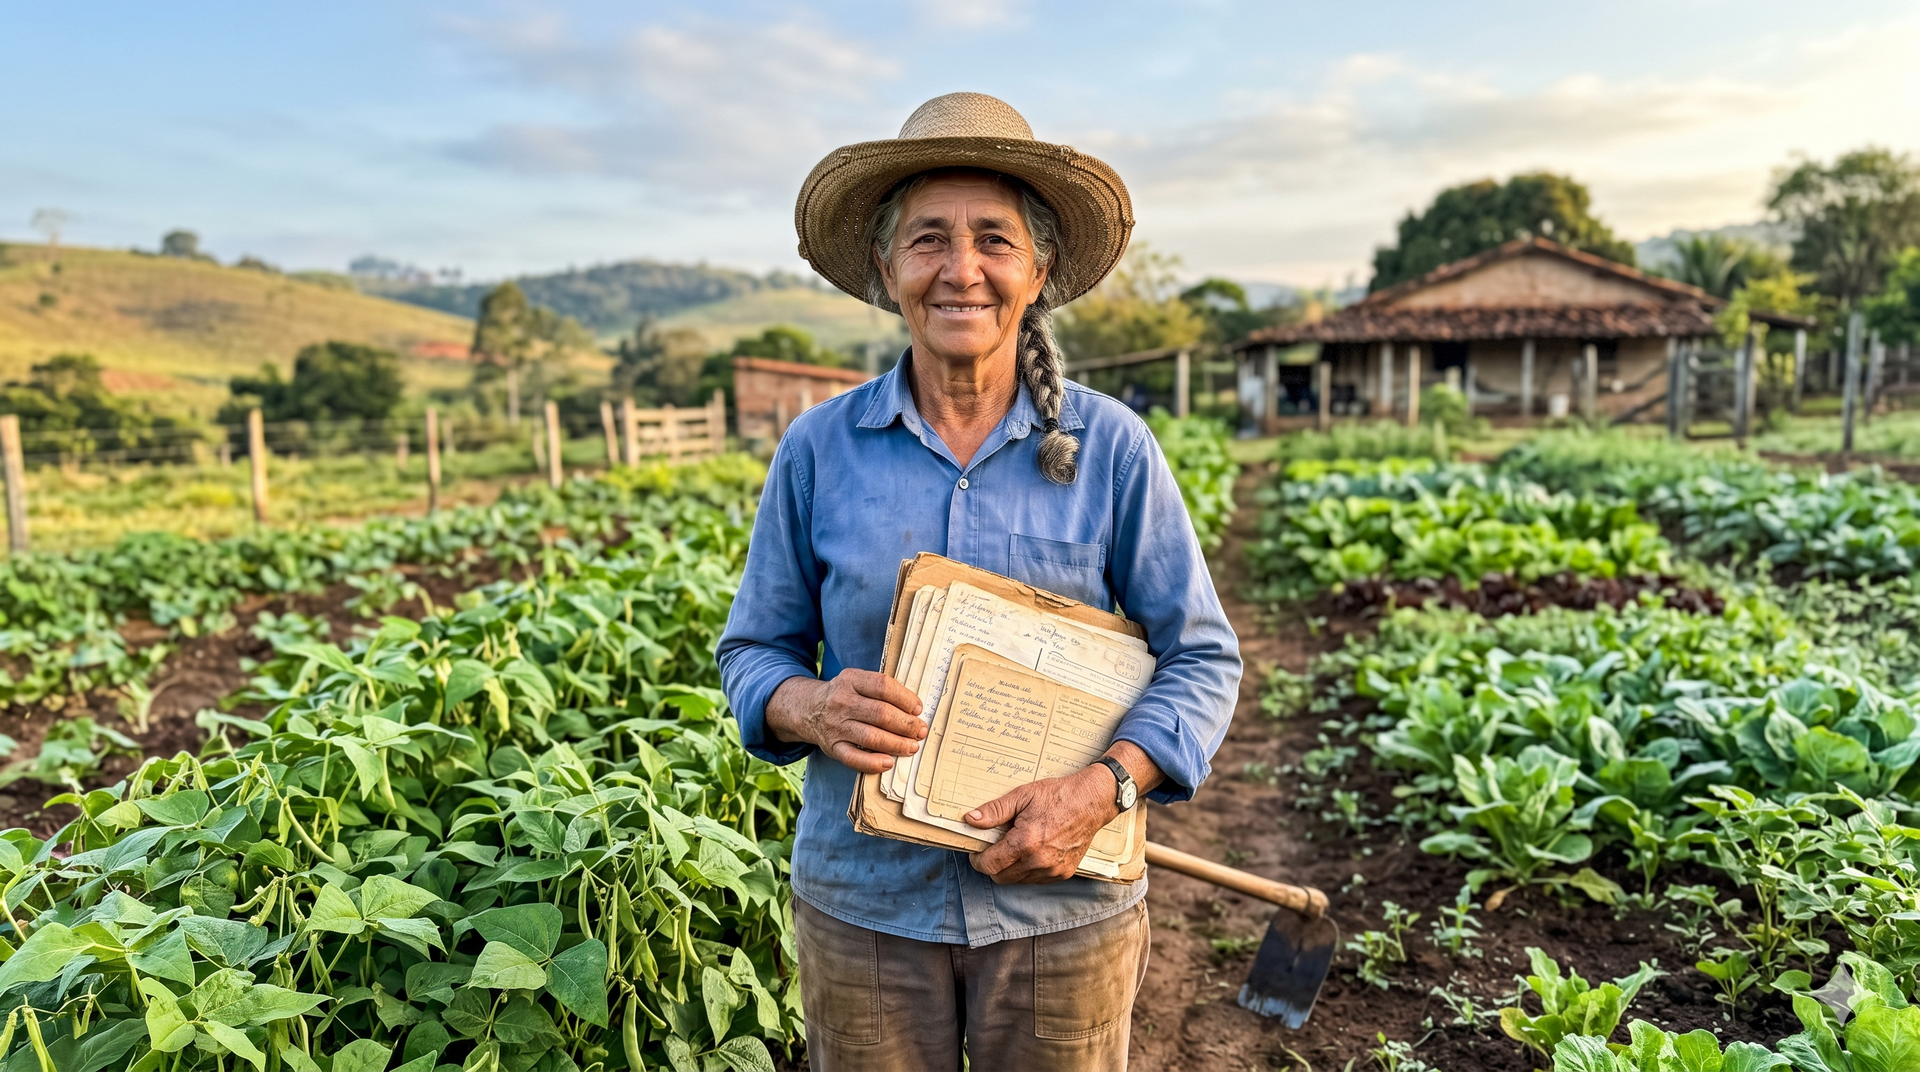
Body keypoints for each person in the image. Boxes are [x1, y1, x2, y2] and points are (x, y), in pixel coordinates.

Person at [716, 92, 1241, 1072]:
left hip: (1063, 910)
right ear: (886, 269)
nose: (961, 270)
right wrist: (809, 704)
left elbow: (1202, 655)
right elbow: (753, 651)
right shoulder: (819, 451)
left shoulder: (1110, 449)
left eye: (993, 239)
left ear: (1038, 270)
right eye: (927, 240)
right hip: (865, 905)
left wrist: (1105, 785)